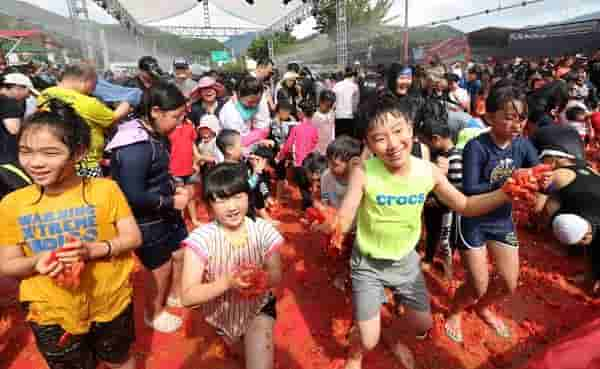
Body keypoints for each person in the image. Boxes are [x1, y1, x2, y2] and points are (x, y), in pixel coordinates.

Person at [320, 94, 516, 369]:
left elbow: (466, 205)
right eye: (379, 138)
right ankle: (356, 354)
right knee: (367, 338)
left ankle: (391, 334)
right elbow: (346, 213)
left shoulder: (429, 172)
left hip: (406, 263)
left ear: (411, 129)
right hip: (368, 264)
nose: (392, 145)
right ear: (368, 144)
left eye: (398, 131)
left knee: (422, 324)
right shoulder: (364, 172)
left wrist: (507, 192)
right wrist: (333, 224)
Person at [0, 100, 142, 369]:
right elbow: (7, 263)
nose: (35, 163)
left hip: (110, 302)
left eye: (50, 153)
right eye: (26, 152)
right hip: (50, 312)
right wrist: (36, 261)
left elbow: (133, 237)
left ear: (78, 152)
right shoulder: (12, 204)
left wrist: (92, 250)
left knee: (118, 357)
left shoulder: (105, 190)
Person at [445, 81, 541, 344]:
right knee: (478, 284)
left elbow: (538, 170)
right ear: (488, 117)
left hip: (501, 221)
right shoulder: (477, 146)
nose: (517, 124)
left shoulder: (522, 145)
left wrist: (543, 180)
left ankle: (483, 307)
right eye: (509, 118)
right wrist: (509, 182)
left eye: (521, 118)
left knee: (509, 283)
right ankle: (454, 312)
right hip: (473, 221)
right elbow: (471, 188)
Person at [181, 163, 283, 369]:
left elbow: (276, 274)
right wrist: (227, 282)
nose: (233, 206)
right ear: (209, 205)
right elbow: (188, 296)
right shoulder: (201, 240)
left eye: (238, 196)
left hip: (258, 309)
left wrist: (255, 280)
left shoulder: (263, 231)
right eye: (222, 199)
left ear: (248, 196)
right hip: (219, 315)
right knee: (237, 351)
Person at [108, 82, 190, 333]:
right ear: (155, 111)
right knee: (160, 266)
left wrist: (174, 183)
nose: (178, 122)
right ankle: (153, 313)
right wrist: (170, 201)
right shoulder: (135, 146)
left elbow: (159, 171)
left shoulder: (155, 135)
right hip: (147, 218)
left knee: (180, 252)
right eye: (175, 116)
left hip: (165, 209)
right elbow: (131, 194)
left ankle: (176, 294)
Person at [38, 63, 131, 177]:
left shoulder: (46, 94)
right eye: (95, 84)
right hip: (86, 164)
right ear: (86, 81)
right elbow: (113, 118)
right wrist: (129, 100)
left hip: (56, 160)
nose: (94, 89)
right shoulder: (87, 103)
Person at [420, 120, 463, 279]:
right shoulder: (442, 156)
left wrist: (437, 201)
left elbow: (457, 189)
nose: (426, 146)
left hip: (446, 210)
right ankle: (429, 258)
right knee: (432, 233)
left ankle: (448, 271)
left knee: (446, 240)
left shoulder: (455, 158)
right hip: (435, 207)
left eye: (426, 142)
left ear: (436, 139)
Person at [320, 135, 362, 290]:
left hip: (359, 226)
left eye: (335, 164)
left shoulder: (361, 179)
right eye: (329, 162)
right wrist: (326, 218)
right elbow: (325, 202)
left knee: (359, 256)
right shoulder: (326, 177)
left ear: (352, 163)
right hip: (337, 225)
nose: (331, 167)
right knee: (339, 253)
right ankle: (342, 274)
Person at [276, 99, 319, 210]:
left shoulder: (296, 128)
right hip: (312, 163)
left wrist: (280, 157)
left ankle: (308, 210)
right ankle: (313, 208)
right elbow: (316, 143)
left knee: (304, 189)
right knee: (313, 188)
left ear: (301, 113)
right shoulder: (315, 128)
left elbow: (288, 146)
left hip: (299, 163)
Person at [219, 76, 271, 150]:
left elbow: (263, 128)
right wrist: (257, 139)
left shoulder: (258, 97)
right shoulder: (230, 114)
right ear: (238, 95)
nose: (255, 105)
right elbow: (237, 144)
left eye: (258, 101)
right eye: (250, 102)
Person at [0, 73, 39, 163]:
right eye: (28, 92)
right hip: (5, 158)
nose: (29, 96)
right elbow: (14, 130)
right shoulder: (9, 103)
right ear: (18, 88)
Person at [269, 100, 296, 203]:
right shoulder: (274, 122)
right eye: (284, 110)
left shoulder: (291, 119)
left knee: (284, 173)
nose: (286, 113)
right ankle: (278, 198)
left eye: (288, 110)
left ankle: (280, 194)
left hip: (287, 150)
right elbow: (276, 139)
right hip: (277, 151)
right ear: (278, 111)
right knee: (281, 174)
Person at [333, 67, 359, 138]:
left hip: (338, 116)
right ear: (353, 77)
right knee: (349, 140)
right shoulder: (355, 87)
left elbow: (333, 102)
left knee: (339, 138)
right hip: (349, 117)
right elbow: (355, 103)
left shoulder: (336, 85)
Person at [314, 90, 336, 155]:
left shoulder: (332, 113)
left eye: (330, 106)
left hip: (329, 147)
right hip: (317, 150)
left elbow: (332, 129)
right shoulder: (315, 117)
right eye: (326, 105)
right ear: (320, 102)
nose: (328, 108)